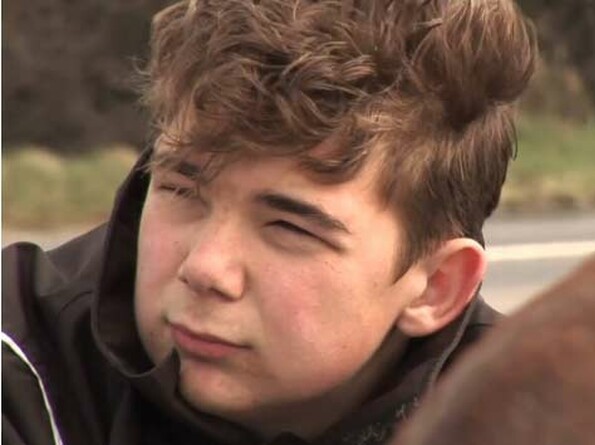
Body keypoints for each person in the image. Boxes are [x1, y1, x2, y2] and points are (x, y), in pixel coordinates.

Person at [1, 1, 535, 444]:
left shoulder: (544, 417)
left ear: (436, 288)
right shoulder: (20, 367)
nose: (205, 269)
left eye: (288, 228)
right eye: (181, 190)